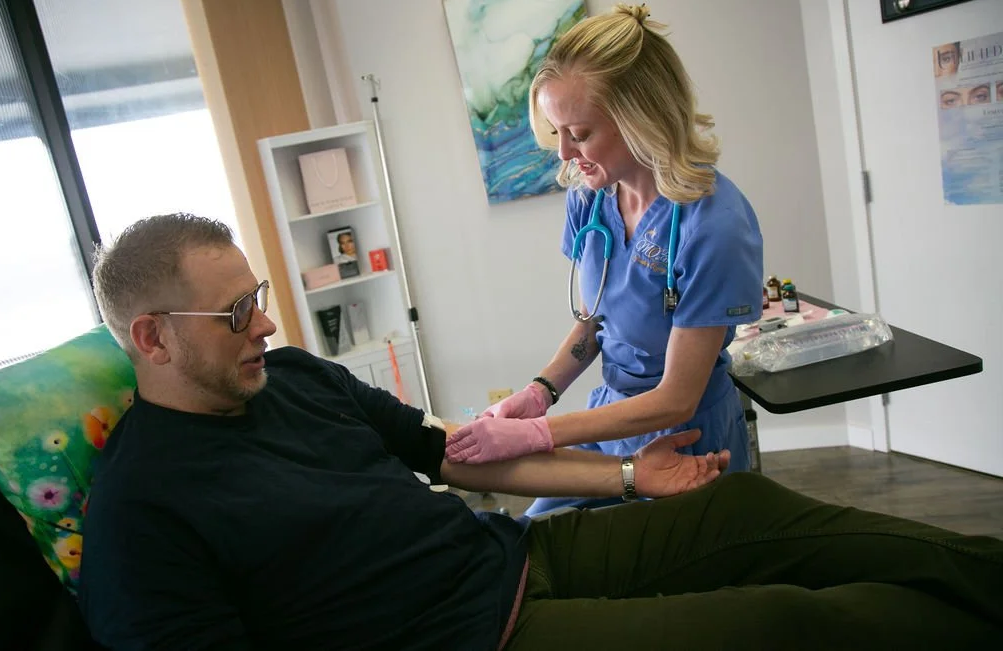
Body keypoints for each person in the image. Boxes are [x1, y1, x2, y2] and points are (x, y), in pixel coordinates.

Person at [76, 213, 1003, 650]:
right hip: (474, 638)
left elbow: (451, 456)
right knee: (781, 620)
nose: (267, 326)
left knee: (745, 510)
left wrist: (635, 480)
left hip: (514, 557)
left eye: (261, 298)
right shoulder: (140, 513)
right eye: (237, 312)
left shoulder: (299, 380)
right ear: (152, 337)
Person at [446, 3, 763, 515]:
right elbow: (595, 321)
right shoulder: (590, 195)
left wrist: (534, 434)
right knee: (533, 537)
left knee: (636, 580)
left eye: (581, 133)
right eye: (557, 132)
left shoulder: (715, 226)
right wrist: (541, 391)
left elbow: (676, 398)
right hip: (610, 415)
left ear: (644, 117)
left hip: (686, 436)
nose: (564, 155)